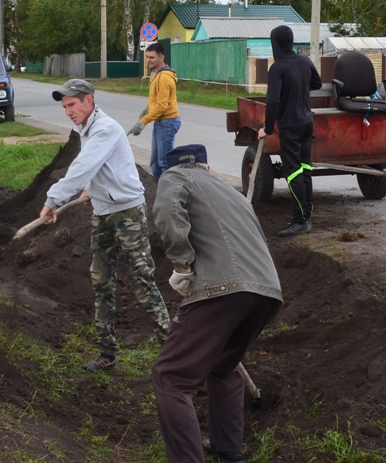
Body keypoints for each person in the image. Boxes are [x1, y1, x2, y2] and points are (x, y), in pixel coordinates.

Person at [151, 144, 283, 463]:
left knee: (171, 377)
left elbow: (168, 212)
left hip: (223, 289)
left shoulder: (173, 177)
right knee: (223, 366)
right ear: (207, 168)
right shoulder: (230, 192)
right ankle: (228, 449)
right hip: (265, 292)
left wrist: (183, 265)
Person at [40, 79, 170, 372]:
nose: (68, 112)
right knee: (101, 283)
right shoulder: (85, 128)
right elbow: (98, 168)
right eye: (64, 107)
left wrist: (53, 201)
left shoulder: (105, 128)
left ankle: (175, 350)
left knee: (142, 282)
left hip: (127, 213)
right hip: (102, 213)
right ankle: (107, 354)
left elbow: (84, 165)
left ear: (88, 101)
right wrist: (91, 190)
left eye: (72, 105)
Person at [258, 24, 323, 237]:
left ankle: (300, 220)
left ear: (275, 43)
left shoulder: (277, 68)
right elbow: (317, 82)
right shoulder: (304, 60)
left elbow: (273, 102)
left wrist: (267, 129)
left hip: (291, 126)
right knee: (305, 169)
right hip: (306, 122)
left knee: (293, 171)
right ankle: (307, 213)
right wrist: (298, 88)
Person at [128, 42, 181, 179]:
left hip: (167, 122)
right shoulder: (155, 74)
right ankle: (160, 191)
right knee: (155, 164)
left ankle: (170, 194)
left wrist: (143, 122)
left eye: (151, 57)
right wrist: (147, 107)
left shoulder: (164, 77)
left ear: (161, 57)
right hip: (161, 122)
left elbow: (162, 106)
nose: (148, 60)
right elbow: (155, 99)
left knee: (165, 164)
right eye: (147, 57)